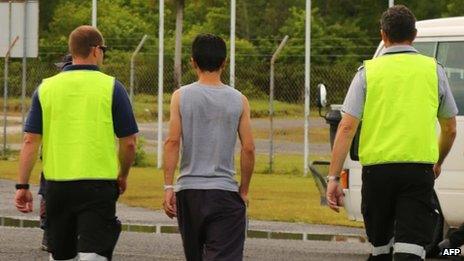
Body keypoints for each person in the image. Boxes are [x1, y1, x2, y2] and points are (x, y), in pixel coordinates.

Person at [326, 5, 457, 261]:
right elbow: (450, 128)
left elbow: (346, 127)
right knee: (412, 249)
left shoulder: (367, 73)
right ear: (415, 35)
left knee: (380, 249)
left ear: (383, 35)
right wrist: (438, 162)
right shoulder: (434, 70)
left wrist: (333, 177)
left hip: (377, 173)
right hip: (418, 171)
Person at [15, 25, 138, 261]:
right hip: (98, 183)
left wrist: (22, 186)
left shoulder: (46, 87)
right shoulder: (112, 87)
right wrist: (123, 174)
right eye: (103, 49)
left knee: (61, 254)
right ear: (95, 50)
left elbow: (30, 140)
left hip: (57, 184)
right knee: (94, 255)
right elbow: (129, 142)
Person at [163, 33, 255, 261]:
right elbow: (249, 148)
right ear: (224, 62)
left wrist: (168, 186)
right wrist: (243, 189)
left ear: (192, 61)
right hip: (224, 191)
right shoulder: (239, 100)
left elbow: (172, 142)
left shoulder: (180, 96)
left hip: (189, 191)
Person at [38, 53, 73, 252]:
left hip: (56, 150)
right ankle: (49, 231)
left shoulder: (52, 88)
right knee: (48, 191)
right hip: (56, 149)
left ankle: (50, 232)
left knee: (49, 189)